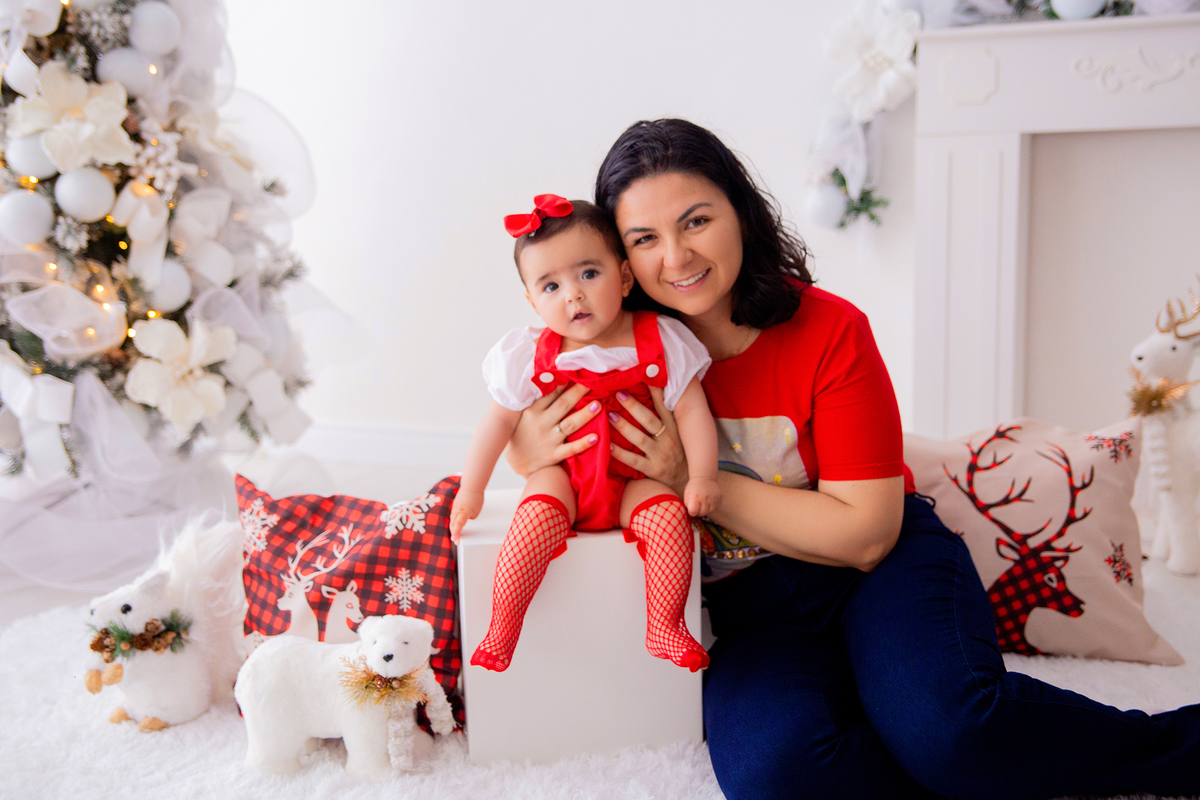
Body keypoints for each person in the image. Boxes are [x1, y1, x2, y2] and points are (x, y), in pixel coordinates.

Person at [500, 119, 1200, 800]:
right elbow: (550, 457)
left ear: (740, 214)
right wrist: (527, 450)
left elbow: (868, 536)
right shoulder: (599, 354)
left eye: (696, 221)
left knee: (955, 733)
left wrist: (692, 480)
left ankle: (1168, 750)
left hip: (885, 573)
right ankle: (921, 734)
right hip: (749, 610)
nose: (676, 258)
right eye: (644, 238)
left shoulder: (829, 330)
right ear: (619, 263)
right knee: (779, 774)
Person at [449, 194, 719, 673]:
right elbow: (497, 423)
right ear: (532, 302)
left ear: (625, 276)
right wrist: (473, 489)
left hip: (638, 478)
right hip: (565, 477)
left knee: (669, 523)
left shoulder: (660, 338)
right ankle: (504, 624)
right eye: (551, 286)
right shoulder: (526, 354)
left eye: (588, 274)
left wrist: (701, 476)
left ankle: (665, 624)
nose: (572, 294)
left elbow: (695, 411)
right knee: (532, 523)